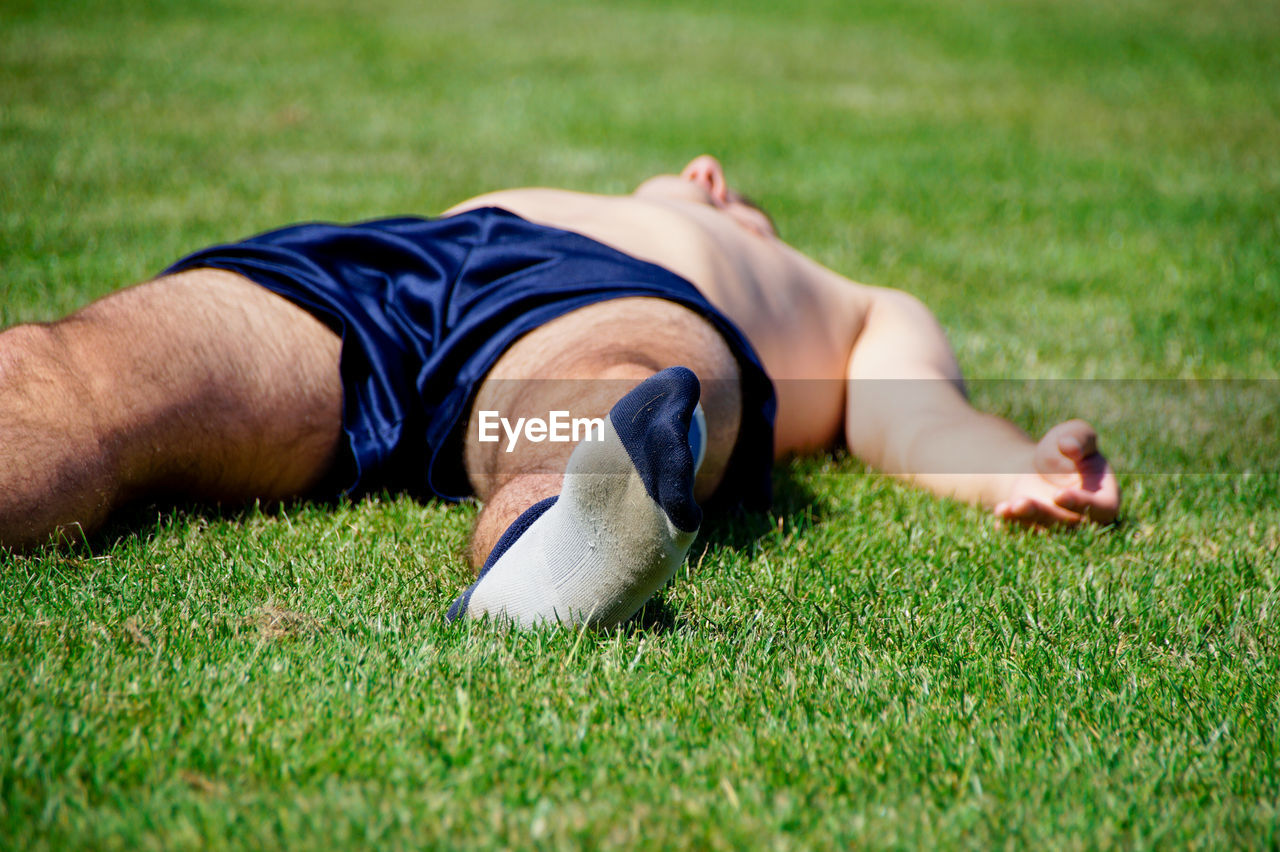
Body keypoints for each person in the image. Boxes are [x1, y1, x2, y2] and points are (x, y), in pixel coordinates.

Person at [0, 155, 1119, 626]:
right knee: (93, 368)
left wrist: (1007, 468)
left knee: (599, 401)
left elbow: (912, 411)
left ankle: (557, 537)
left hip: (594, 301)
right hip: (393, 274)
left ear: (707, 187)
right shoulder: (675, 199)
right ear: (705, 179)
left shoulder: (851, 302)